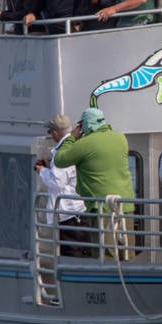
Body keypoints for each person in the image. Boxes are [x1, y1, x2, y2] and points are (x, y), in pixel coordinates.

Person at [53, 107, 136, 258]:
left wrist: (71, 137)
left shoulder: (85, 143)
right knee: (126, 252)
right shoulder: (120, 138)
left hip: (102, 208)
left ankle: (108, 281)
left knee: (106, 254)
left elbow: (60, 160)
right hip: (125, 204)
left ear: (86, 124)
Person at [35, 115, 88, 256]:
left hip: (69, 214)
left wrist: (41, 170)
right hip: (77, 212)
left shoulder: (62, 151)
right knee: (82, 253)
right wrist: (49, 166)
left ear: (55, 133)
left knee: (72, 255)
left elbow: (57, 182)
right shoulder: (73, 146)